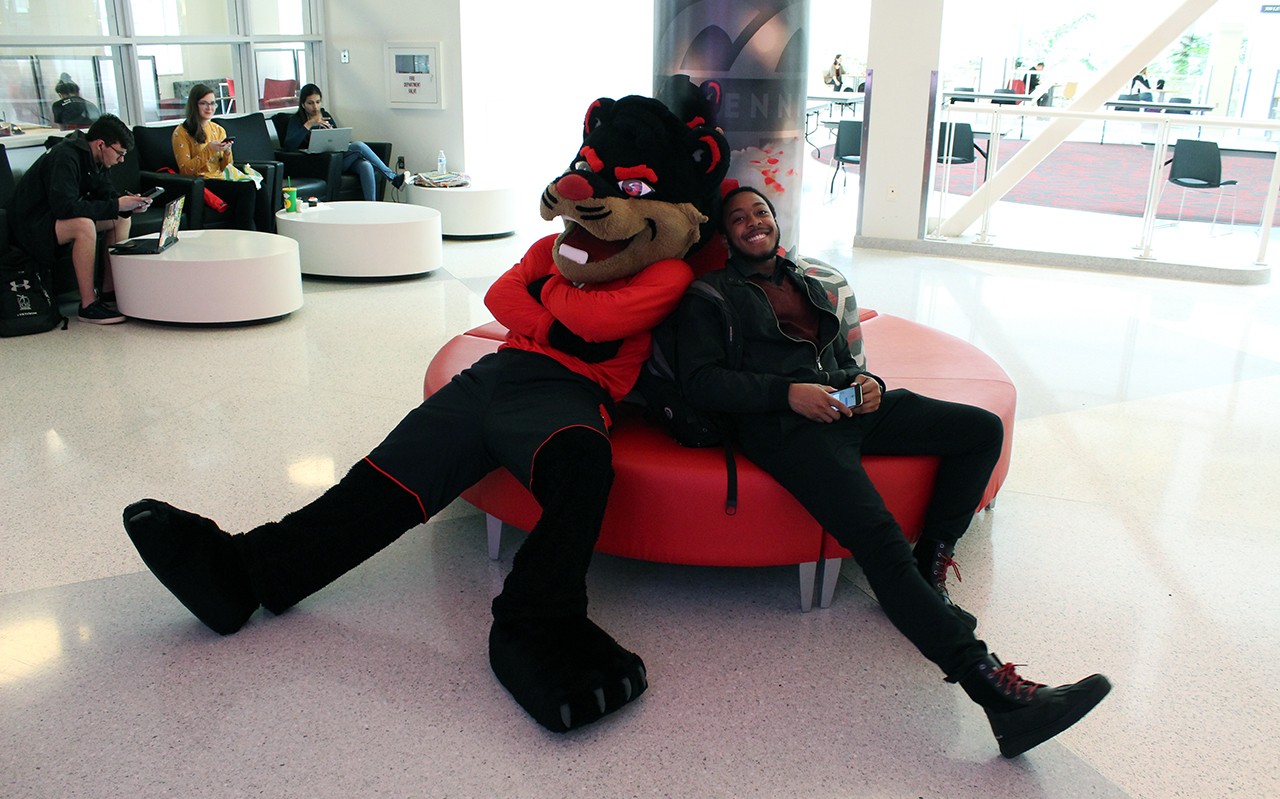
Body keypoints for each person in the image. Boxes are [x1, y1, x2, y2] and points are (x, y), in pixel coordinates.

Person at [121, 94, 730, 735]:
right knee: (383, 478)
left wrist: (545, 300)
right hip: (497, 374)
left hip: (571, 395)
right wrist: (555, 315)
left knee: (582, 471)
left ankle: (540, 623)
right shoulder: (567, 246)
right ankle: (247, 572)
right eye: (589, 171)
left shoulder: (667, 272)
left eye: (628, 187)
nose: (585, 197)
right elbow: (500, 294)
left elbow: (591, 320)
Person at [673, 185, 1112, 758]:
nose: (753, 222)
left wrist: (868, 383)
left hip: (846, 405)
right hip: (788, 428)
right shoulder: (711, 294)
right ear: (725, 237)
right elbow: (702, 382)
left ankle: (932, 560)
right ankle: (997, 692)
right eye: (738, 218)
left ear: (776, 223)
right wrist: (789, 396)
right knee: (879, 543)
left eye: (761, 212)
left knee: (980, 430)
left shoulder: (804, 278)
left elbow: (841, 355)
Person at [7, 114, 152, 324]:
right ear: (101, 144)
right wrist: (116, 205)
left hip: (53, 219)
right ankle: (88, 305)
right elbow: (65, 208)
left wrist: (127, 204)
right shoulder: (65, 157)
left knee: (121, 218)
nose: (122, 160)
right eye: (119, 154)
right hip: (30, 225)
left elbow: (106, 193)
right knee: (83, 226)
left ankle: (109, 291)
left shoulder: (95, 159)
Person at [283, 84, 405, 201]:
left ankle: (372, 206)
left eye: (318, 102)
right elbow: (289, 145)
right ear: (303, 104)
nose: (315, 107)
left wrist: (331, 132)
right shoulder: (296, 120)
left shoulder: (325, 115)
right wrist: (309, 124)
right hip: (318, 163)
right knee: (358, 146)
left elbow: (339, 139)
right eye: (310, 103)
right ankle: (393, 177)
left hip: (336, 160)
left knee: (365, 165)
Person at [172, 83, 257, 231]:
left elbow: (226, 167)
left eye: (212, 103)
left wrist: (227, 152)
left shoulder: (218, 129)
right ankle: (245, 236)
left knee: (260, 188)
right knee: (247, 189)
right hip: (201, 181)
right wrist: (209, 149)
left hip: (220, 177)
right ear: (194, 105)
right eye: (203, 103)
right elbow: (185, 170)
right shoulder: (181, 133)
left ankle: (267, 236)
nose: (209, 108)